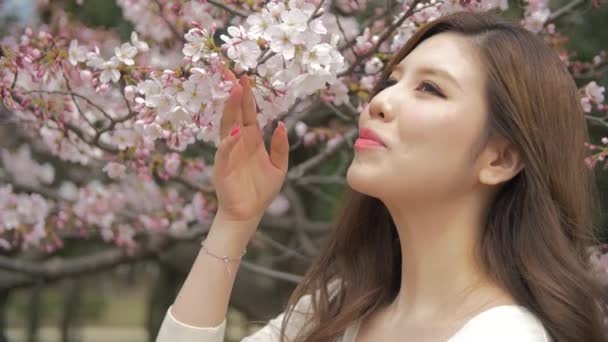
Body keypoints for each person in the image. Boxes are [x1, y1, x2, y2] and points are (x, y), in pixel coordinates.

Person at [155, 11, 607, 342]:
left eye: (430, 88)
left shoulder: (505, 335)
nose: (380, 101)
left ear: (500, 159)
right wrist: (235, 220)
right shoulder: (333, 312)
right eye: (392, 80)